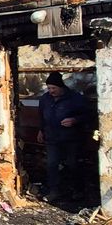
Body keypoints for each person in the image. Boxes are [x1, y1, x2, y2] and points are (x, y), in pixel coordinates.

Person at [37, 72, 88, 202]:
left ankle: (77, 190)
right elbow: (41, 116)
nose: (51, 91)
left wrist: (75, 120)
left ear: (61, 87)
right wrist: (41, 130)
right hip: (52, 137)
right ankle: (54, 191)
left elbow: (88, 115)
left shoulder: (75, 98)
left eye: (53, 88)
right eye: (49, 88)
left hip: (71, 138)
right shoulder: (45, 99)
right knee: (52, 164)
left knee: (73, 164)